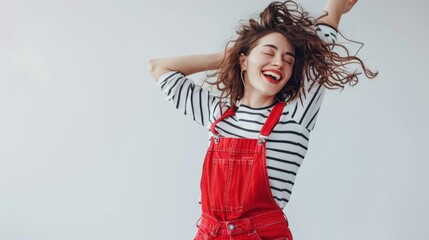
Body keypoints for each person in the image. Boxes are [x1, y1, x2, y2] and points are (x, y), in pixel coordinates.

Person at [149, 0, 377, 239]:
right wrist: (226, 56)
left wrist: (336, 5)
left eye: (288, 60)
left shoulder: (295, 116)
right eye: (269, 52)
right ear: (244, 61)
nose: (279, 62)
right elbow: (159, 68)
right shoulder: (217, 114)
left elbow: (321, 44)